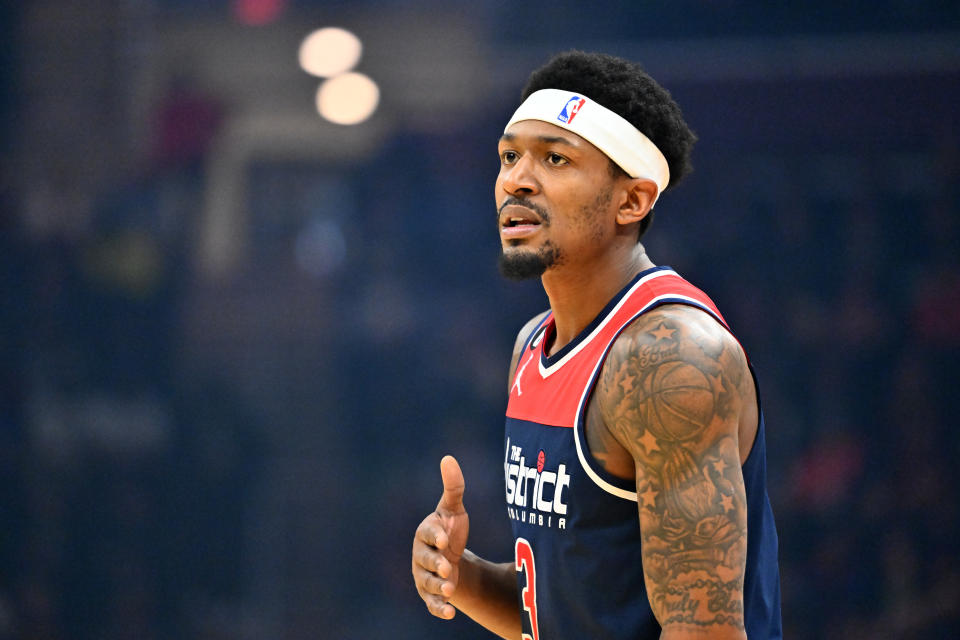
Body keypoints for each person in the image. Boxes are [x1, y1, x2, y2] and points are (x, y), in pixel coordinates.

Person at [411, 50, 782, 640]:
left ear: (631, 201)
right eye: (510, 156)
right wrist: (461, 576)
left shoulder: (669, 356)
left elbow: (704, 631)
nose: (516, 179)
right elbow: (571, 610)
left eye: (555, 159)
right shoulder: (532, 345)